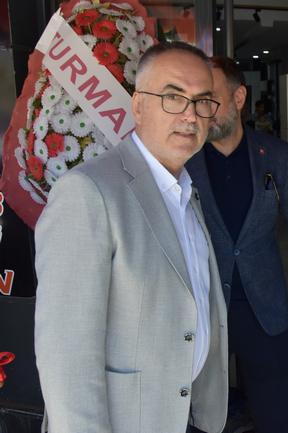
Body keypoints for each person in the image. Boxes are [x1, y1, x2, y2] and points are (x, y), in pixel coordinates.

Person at [34, 42, 228, 433]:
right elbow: (66, 354)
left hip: (184, 415)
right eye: (173, 97)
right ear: (138, 106)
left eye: (202, 101)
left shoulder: (186, 191)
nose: (190, 115)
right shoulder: (88, 192)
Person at [186, 56, 288, 433]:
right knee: (199, 419)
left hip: (264, 308)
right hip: (203, 307)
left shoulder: (273, 154)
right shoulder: (185, 157)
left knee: (275, 418)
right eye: (197, 101)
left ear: (239, 97)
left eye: (210, 99)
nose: (201, 110)